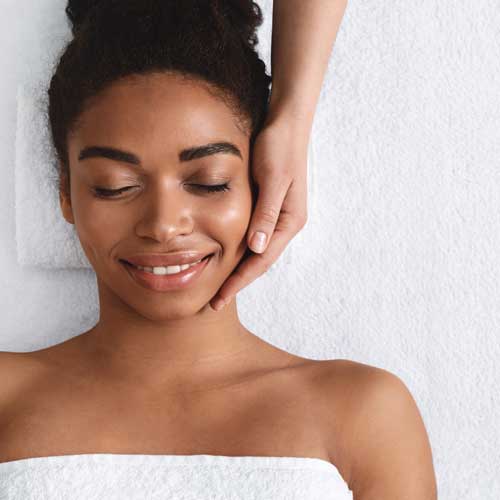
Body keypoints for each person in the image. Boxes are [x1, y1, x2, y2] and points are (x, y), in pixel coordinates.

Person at [0, 1, 437, 499]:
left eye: (209, 182)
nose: (164, 226)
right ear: (66, 194)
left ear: (260, 182)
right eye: (115, 185)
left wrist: (292, 120)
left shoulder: (363, 412)